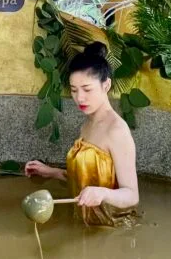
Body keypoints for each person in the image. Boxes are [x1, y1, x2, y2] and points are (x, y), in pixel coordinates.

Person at [25, 42, 139, 226]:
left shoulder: (117, 131)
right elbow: (86, 177)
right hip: (85, 222)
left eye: (87, 89)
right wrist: (50, 172)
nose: (80, 98)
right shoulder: (86, 125)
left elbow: (132, 195)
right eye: (74, 90)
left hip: (112, 229)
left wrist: (102, 193)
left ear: (106, 85)